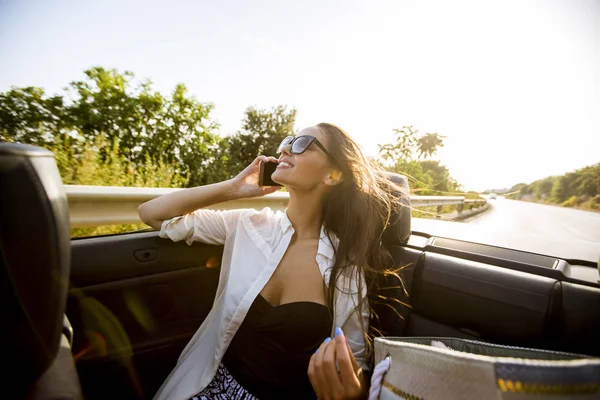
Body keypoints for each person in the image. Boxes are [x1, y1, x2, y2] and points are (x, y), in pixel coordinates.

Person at [138, 123, 401, 400]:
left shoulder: (346, 267)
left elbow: (354, 365)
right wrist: (233, 188)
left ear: (333, 175)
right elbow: (153, 214)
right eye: (288, 140)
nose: (286, 148)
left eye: (303, 143)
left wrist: (353, 391)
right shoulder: (248, 225)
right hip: (211, 390)